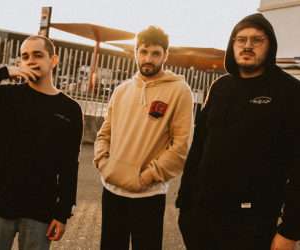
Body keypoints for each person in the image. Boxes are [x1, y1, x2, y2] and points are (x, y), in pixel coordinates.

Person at [176, 13, 300, 250]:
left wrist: (290, 231)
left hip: (254, 225)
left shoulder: (290, 92)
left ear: (270, 45)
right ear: (232, 45)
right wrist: (185, 205)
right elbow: (199, 148)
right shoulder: (220, 87)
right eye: (241, 39)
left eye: (256, 40)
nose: (247, 46)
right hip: (202, 220)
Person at [0, 35, 83, 250]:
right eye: (25, 56)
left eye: (38, 55)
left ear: (54, 60)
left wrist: (62, 213)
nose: (31, 60)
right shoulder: (8, 97)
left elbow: (70, 164)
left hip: (40, 210)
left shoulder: (70, 109)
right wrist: (3, 73)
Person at [94, 26, 194, 250]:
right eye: (144, 51)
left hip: (148, 195)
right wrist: (102, 162)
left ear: (165, 55)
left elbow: (181, 145)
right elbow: (104, 132)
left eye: (156, 53)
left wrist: (147, 177)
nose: (148, 58)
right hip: (111, 191)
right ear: (136, 52)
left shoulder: (180, 91)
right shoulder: (121, 90)